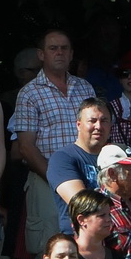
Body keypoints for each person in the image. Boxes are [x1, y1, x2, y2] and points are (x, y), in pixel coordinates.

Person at [9, 31, 98, 259]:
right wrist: (59, 178)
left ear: (71, 54)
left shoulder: (85, 88)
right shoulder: (29, 93)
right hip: (45, 179)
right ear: (41, 54)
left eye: (64, 48)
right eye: (53, 48)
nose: (59, 52)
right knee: (51, 249)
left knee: (88, 244)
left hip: (86, 177)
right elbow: (26, 147)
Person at [46, 98, 111, 234]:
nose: (98, 126)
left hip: (115, 235)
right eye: (92, 121)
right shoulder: (62, 158)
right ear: (78, 125)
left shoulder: (118, 154)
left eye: (104, 121)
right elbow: (82, 203)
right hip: (79, 240)